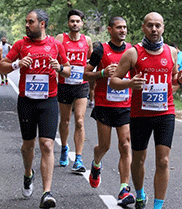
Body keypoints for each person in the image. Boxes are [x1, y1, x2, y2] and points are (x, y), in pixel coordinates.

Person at [0, 9, 71, 208]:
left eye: (30, 22)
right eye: (26, 22)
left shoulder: (56, 45)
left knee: (47, 145)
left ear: (42, 24)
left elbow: (68, 70)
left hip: (48, 101)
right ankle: (28, 173)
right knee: (28, 146)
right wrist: (16, 64)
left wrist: (60, 69)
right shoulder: (21, 44)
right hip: (27, 101)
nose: (26, 25)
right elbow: (1, 67)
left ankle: (47, 193)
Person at [110, 12, 182, 209]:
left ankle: (158, 206)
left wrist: (178, 81)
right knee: (139, 159)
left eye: (158, 25)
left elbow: (174, 79)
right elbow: (114, 81)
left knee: (164, 161)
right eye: (150, 25)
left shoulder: (171, 52)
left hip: (165, 113)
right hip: (140, 114)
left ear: (163, 28)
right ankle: (140, 193)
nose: (154, 29)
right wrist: (130, 83)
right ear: (143, 27)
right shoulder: (133, 53)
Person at [83, 16, 135, 208]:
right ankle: (96, 163)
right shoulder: (100, 50)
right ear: (110, 29)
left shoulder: (131, 50)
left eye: (125, 27)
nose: (122, 30)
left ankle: (123, 189)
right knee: (104, 146)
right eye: (119, 27)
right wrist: (102, 73)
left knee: (125, 144)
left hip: (125, 104)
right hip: (105, 104)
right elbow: (85, 74)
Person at [55, 9, 93, 173]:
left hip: (81, 84)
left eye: (78, 21)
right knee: (65, 121)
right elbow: (54, 56)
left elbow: (91, 59)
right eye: (72, 21)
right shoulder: (60, 38)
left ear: (82, 24)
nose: (75, 24)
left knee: (79, 120)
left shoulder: (87, 40)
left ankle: (78, 158)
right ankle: (64, 148)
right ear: (68, 23)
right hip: (64, 83)